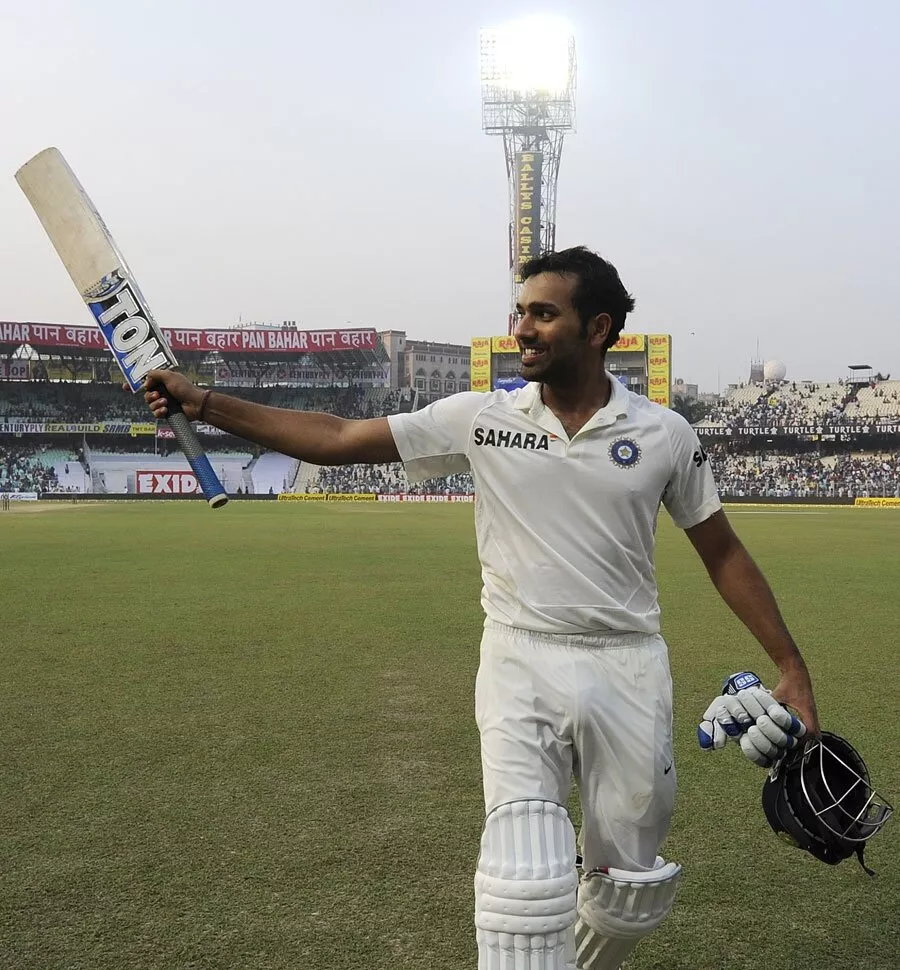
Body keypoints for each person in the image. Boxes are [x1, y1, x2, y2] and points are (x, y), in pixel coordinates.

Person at [140, 247, 819, 970]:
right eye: (520, 312)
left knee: (629, 895)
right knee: (522, 883)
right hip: (519, 658)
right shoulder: (481, 418)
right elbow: (337, 438)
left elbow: (723, 553)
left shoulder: (664, 434)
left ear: (597, 327)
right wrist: (205, 404)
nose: (522, 328)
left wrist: (792, 667)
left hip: (629, 668)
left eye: (543, 313)